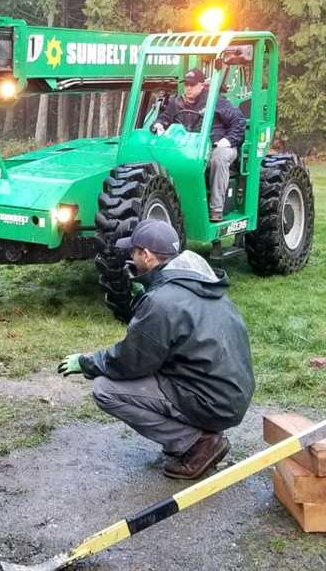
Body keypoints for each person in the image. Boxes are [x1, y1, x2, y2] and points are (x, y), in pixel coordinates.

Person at [58, 218, 254, 480]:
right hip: (230, 395)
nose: (131, 259)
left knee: (105, 389)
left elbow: (130, 361)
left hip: (213, 403)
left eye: (134, 252)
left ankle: (197, 444)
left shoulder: (163, 301)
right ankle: (200, 433)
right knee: (149, 376)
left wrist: (87, 362)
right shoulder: (202, 284)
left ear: (147, 255)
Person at [152, 69, 247, 222]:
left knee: (219, 158)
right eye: (186, 85)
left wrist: (228, 140)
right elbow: (164, 118)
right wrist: (158, 125)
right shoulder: (177, 103)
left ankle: (216, 209)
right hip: (189, 149)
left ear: (202, 85)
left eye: (192, 85)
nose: (188, 88)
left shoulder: (216, 101)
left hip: (217, 146)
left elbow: (239, 122)